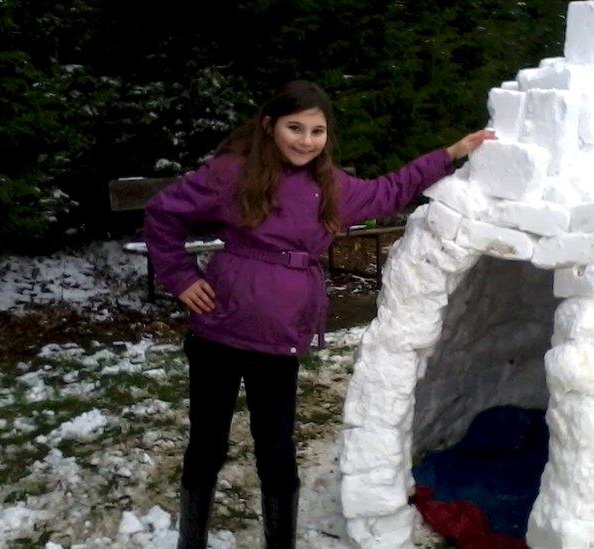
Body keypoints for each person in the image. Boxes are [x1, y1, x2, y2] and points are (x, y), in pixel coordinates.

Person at [143, 80, 494, 549]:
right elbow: (162, 213)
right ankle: (192, 541)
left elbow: (392, 189)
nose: (305, 140)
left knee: (276, 451)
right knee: (207, 445)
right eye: (295, 127)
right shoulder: (232, 173)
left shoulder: (332, 188)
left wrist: (449, 153)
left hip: (280, 339)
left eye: (317, 131)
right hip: (219, 332)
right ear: (269, 126)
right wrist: (181, 277)